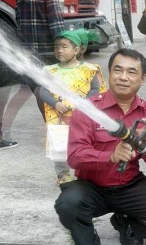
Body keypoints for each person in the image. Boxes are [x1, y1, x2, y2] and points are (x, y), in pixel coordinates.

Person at [54, 48, 146, 245]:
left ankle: (128, 227)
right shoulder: (88, 110)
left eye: (132, 72)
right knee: (68, 205)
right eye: (118, 70)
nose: (123, 77)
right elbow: (75, 157)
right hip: (91, 188)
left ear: (143, 79)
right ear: (109, 74)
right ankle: (87, 240)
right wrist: (110, 156)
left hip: (130, 186)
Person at [0, 0, 65, 152]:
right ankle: (57, 139)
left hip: (24, 54)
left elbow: (19, 25)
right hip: (44, 55)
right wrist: (66, 51)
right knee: (46, 94)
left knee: (12, 91)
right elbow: (57, 28)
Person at [39, 30, 105, 185]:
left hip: (82, 116)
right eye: (56, 47)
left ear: (76, 50)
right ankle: (62, 174)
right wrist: (56, 103)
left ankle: (86, 172)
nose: (59, 50)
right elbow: (43, 90)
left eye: (64, 46)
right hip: (60, 116)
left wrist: (81, 104)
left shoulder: (89, 69)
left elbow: (95, 89)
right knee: (59, 145)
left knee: (86, 142)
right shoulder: (50, 71)